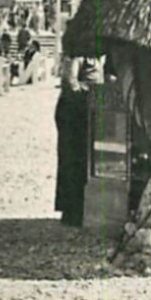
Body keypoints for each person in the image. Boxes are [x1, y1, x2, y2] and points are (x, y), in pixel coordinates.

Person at [54, 61, 94, 227]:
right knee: (72, 160)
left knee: (84, 161)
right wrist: (91, 91)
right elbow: (70, 82)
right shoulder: (76, 53)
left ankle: (81, 208)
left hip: (85, 111)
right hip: (73, 112)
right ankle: (72, 211)